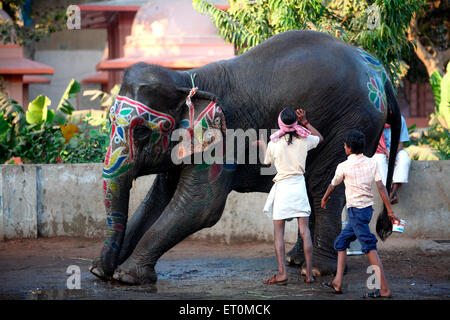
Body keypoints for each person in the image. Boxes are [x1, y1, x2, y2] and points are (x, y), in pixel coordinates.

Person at [320, 130, 400, 298]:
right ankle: (337, 282)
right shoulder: (372, 163)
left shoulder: (343, 166)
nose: (344, 147)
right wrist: (390, 210)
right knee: (341, 242)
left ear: (348, 148)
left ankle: (384, 289)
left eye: (344, 145)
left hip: (356, 213)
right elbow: (381, 187)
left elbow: (333, 185)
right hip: (366, 211)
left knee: (369, 247)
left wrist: (325, 198)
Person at [254, 107, 323, 284]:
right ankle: (308, 274)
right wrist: (305, 122)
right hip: (299, 186)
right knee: (305, 231)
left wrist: (263, 145)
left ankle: (282, 273)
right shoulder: (304, 139)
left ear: (280, 123)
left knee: (279, 233)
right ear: (294, 122)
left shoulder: (273, 143)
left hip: (283, 188)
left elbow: (267, 162)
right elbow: (320, 138)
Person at [373, 115, 411, 204]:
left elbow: (401, 143)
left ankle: (391, 194)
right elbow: (374, 143)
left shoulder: (399, 119)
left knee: (404, 159)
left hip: (396, 150)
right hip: (379, 151)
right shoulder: (376, 119)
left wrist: (392, 154)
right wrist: (386, 153)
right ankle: (390, 193)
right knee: (379, 161)